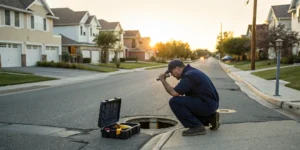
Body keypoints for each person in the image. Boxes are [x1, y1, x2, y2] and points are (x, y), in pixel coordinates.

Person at [158, 59, 220, 136]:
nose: (172, 75)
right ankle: (210, 118)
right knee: (185, 102)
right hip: (210, 104)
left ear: (177, 69)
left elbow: (174, 93)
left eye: (171, 72)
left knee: (174, 102)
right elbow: (178, 90)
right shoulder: (192, 72)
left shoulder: (189, 75)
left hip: (207, 104)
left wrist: (163, 81)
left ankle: (196, 127)